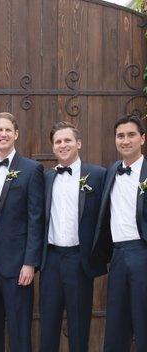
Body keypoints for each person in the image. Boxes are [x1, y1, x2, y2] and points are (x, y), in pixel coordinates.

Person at [0, 112, 44, 352]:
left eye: (8, 130)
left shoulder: (32, 169)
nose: (3, 134)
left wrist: (30, 262)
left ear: (16, 134)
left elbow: (36, 219)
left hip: (17, 263)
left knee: (19, 329)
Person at [39, 122, 106, 352]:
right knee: (47, 328)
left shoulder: (98, 175)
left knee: (79, 329)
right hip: (51, 260)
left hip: (80, 260)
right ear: (53, 147)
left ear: (78, 143)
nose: (62, 145)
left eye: (67, 140)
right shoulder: (46, 178)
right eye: (58, 141)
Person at [92, 114, 147, 352]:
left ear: (142, 139)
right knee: (116, 323)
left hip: (143, 253)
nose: (125, 140)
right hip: (117, 256)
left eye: (131, 135)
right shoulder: (111, 171)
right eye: (120, 136)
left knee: (143, 320)